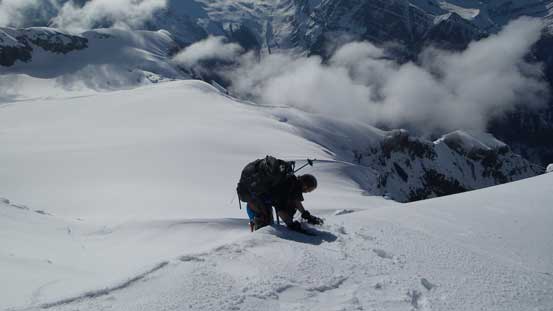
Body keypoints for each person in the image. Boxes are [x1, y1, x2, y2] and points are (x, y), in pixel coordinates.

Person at [237, 156, 323, 232]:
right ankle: (256, 244)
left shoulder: (291, 182)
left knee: (269, 223)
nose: (308, 192)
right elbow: (280, 209)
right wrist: (291, 224)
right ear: (305, 185)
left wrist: (306, 215)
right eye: (309, 190)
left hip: (259, 196)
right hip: (253, 198)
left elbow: (295, 200)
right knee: (264, 224)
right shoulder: (286, 186)